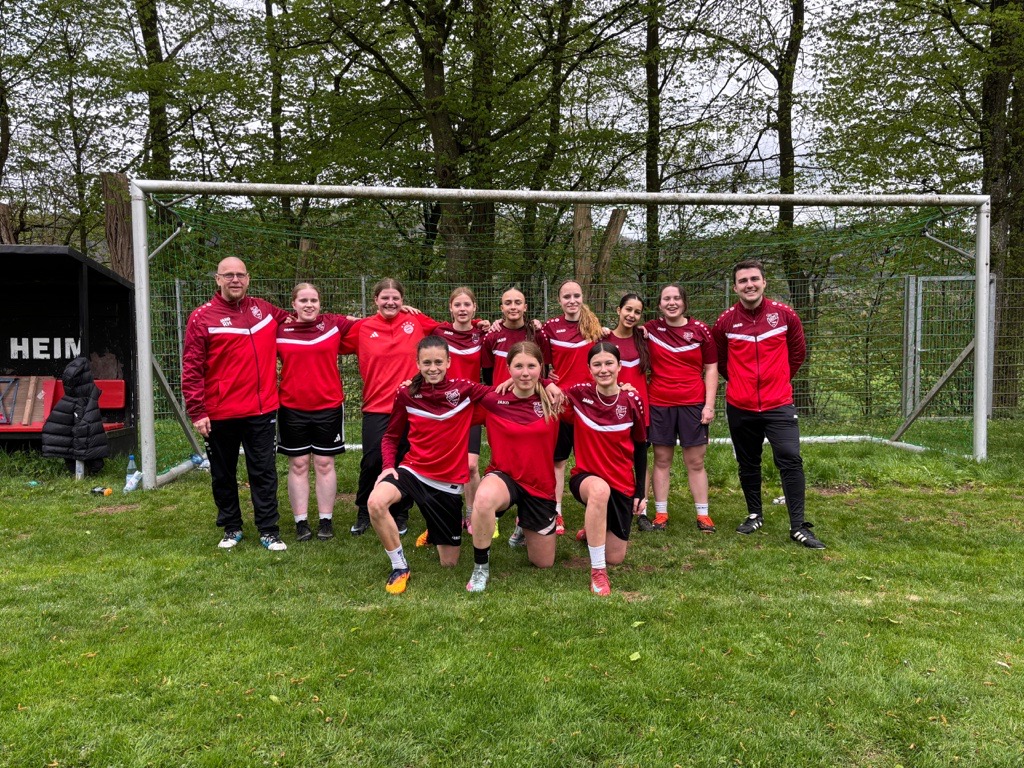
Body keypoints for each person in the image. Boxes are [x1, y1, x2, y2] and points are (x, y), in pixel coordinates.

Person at [711, 259, 825, 549]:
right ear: (735, 287)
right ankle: (754, 514)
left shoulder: (785, 316)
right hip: (740, 405)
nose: (749, 284)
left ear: (764, 282)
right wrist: (740, 381)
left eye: (754, 279)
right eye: (743, 281)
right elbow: (720, 361)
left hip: (779, 404)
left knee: (790, 459)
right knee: (748, 463)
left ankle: (798, 525)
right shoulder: (725, 322)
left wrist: (779, 379)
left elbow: (798, 353)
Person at [366, 336, 495, 594]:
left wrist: (548, 384)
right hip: (413, 471)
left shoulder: (465, 390)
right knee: (376, 502)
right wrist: (388, 466)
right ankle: (400, 566)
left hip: (447, 484)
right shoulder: (407, 393)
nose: (433, 367)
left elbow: (506, 392)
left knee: (449, 563)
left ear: (449, 362)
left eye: (438, 362)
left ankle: (434, 529)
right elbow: (391, 436)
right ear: (417, 363)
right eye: (427, 363)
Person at [182, 257, 292, 551]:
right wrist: (197, 410)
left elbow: (304, 319)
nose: (234, 280)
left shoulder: (265, 310)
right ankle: (231, 527)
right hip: (220, 412)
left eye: (239, 275)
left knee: (264, 472)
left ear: (248, 278)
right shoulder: (202, 317)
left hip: (262, 409)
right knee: (223, 473)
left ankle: (269, 530)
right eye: (228, 275)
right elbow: (191, 367)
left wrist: (359, 322)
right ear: (217, 279)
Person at [339, 278, 441, 537]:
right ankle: (364, 509)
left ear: (403, 300)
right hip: (376, 405)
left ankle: (401, 512)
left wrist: (479, 324)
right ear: (375, 300)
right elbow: (330, 339)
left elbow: (450, 329)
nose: (390, 302)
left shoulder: (416, 321)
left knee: (406, 460)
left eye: (395, 298)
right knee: (373, 460)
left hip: (412, 406)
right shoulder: (362, 328)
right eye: (385, 297)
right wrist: (346, 320)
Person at [465, 341, 562, 592]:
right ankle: (480, 568)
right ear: (508, 369)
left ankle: (522, 526)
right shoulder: (493, 400)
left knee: (543, 563)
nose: (525, 372)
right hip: (504, 477)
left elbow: (595, 394)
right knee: (483, 499)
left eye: (531, 366)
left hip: (540, 487)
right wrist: (415, 383)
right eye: (518, 366)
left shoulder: (555, 401)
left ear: (541, 368)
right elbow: (450, 396)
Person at [563, 342, 647, 596]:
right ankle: (598, 572)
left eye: (609, 363)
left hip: (622, 483)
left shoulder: (632, 399)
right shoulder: (579, 394)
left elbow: (642, 447)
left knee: (616, 557)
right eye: (597, 364)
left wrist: (640, 492)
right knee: (599, 492)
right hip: (586, 479)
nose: (604, 369)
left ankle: (592, 531)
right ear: (589, 369)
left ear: (620, 366)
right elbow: (546, 389)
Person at [276, 283, 357, 542]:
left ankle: (326, 520)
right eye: (303, 300)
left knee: (324, 463)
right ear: (294, 304)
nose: (309, 304)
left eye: (314, 300)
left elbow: (372, 323)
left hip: (328, 405)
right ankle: (301, 522)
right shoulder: (280, 330)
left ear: (320, 303)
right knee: (298, 464)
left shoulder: (333, 323)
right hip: (291, 407)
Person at [644, 283, 718, 533]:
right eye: (666, 298)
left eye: (676, 298)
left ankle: (703, 515)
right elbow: (621, 332)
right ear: (659, 304)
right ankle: (661, 513)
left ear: (685, 302)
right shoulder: (650, 329)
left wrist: (709, 405)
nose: (672, 302)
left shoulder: (700, 331)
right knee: (662, 459)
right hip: (660, 403)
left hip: (693, 404)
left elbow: (711, 369)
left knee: (695, 461)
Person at [536, 280, 604, 535]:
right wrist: (546, 382)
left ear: (582, 297)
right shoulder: (550, 328)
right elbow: (540, 364)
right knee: (558, 462)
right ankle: (557, 512)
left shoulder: (595, 327)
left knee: (591, 464)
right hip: (560, 406)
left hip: (589, 407)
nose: (572, 300)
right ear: (559, 300)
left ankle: (594, 515)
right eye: (567, 296)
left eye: (576, 295)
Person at [431, 287, 485, 534]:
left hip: (470, 407)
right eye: (458, 305)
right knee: (444, 463)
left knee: (472, 465)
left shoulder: (481, 335)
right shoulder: (439, 332)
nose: (462, 309)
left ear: (474, 308)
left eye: (467, 305)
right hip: (443, 409)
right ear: (450, 308)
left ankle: (472, 513)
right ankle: (443, 511)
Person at [602, 293, 653, 530]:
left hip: (641, 410)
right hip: (613, 412)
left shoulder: (644, 339)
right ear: (618, 310)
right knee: (614, 460)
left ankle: (642, 509)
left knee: (641, 459)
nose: (631, 315)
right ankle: (611, 504)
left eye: (637, 312)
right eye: (628, 310)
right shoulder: (604, 340)